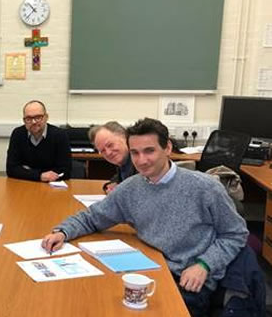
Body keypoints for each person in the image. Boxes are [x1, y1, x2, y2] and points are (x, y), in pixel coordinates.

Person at [42, 118, 248, 317]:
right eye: (135, 153)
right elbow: (92, 217)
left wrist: (204, 265)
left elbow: (235, 234)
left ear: (167, 148)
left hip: (189, 278)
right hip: (150, 268)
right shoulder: (130, 188)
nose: (141, 160)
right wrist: (63, 231)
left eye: (149, 151)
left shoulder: (205, 188)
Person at [6, 100, 72, 182]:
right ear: (24, 120)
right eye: (28, 118)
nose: (33, 122)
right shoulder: (18, 134)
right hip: (25, 185)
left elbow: (65, 171)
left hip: (51, 186)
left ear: (46, 117)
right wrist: (40, 176)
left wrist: (26, 171)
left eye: (38, 117)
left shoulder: (60, 135)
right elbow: (11, 169)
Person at [88, 121, 137, 193]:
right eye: (102, 151)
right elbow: (117, 179)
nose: (108, 153)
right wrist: (110, 185)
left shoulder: (139, 160)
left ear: (124, 137)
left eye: (110, 145)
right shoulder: (124, 163)